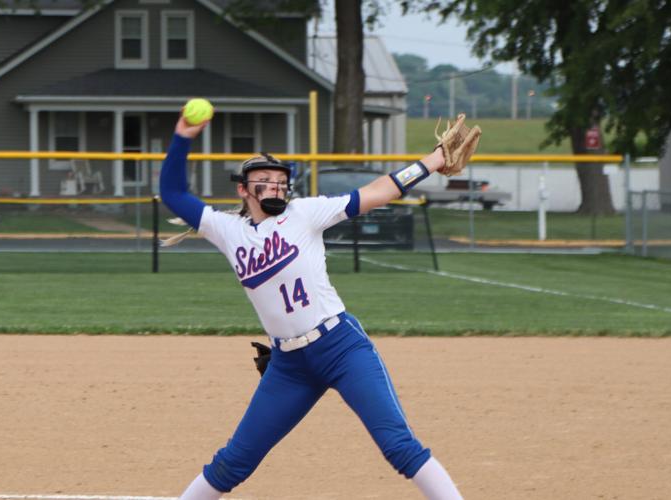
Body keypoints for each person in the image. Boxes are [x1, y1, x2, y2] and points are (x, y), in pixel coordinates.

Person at [161, 111, 465, 500]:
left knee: (399, 447)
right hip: (290, 367)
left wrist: (434, 161)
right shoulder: (227, 230)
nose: (275, 187)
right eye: (264, 182)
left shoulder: (304, 213)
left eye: (281, 181)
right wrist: (182, 137)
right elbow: (172, 193)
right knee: (234, 461)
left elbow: (379, 191)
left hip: (341, 347)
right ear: (243, 190)